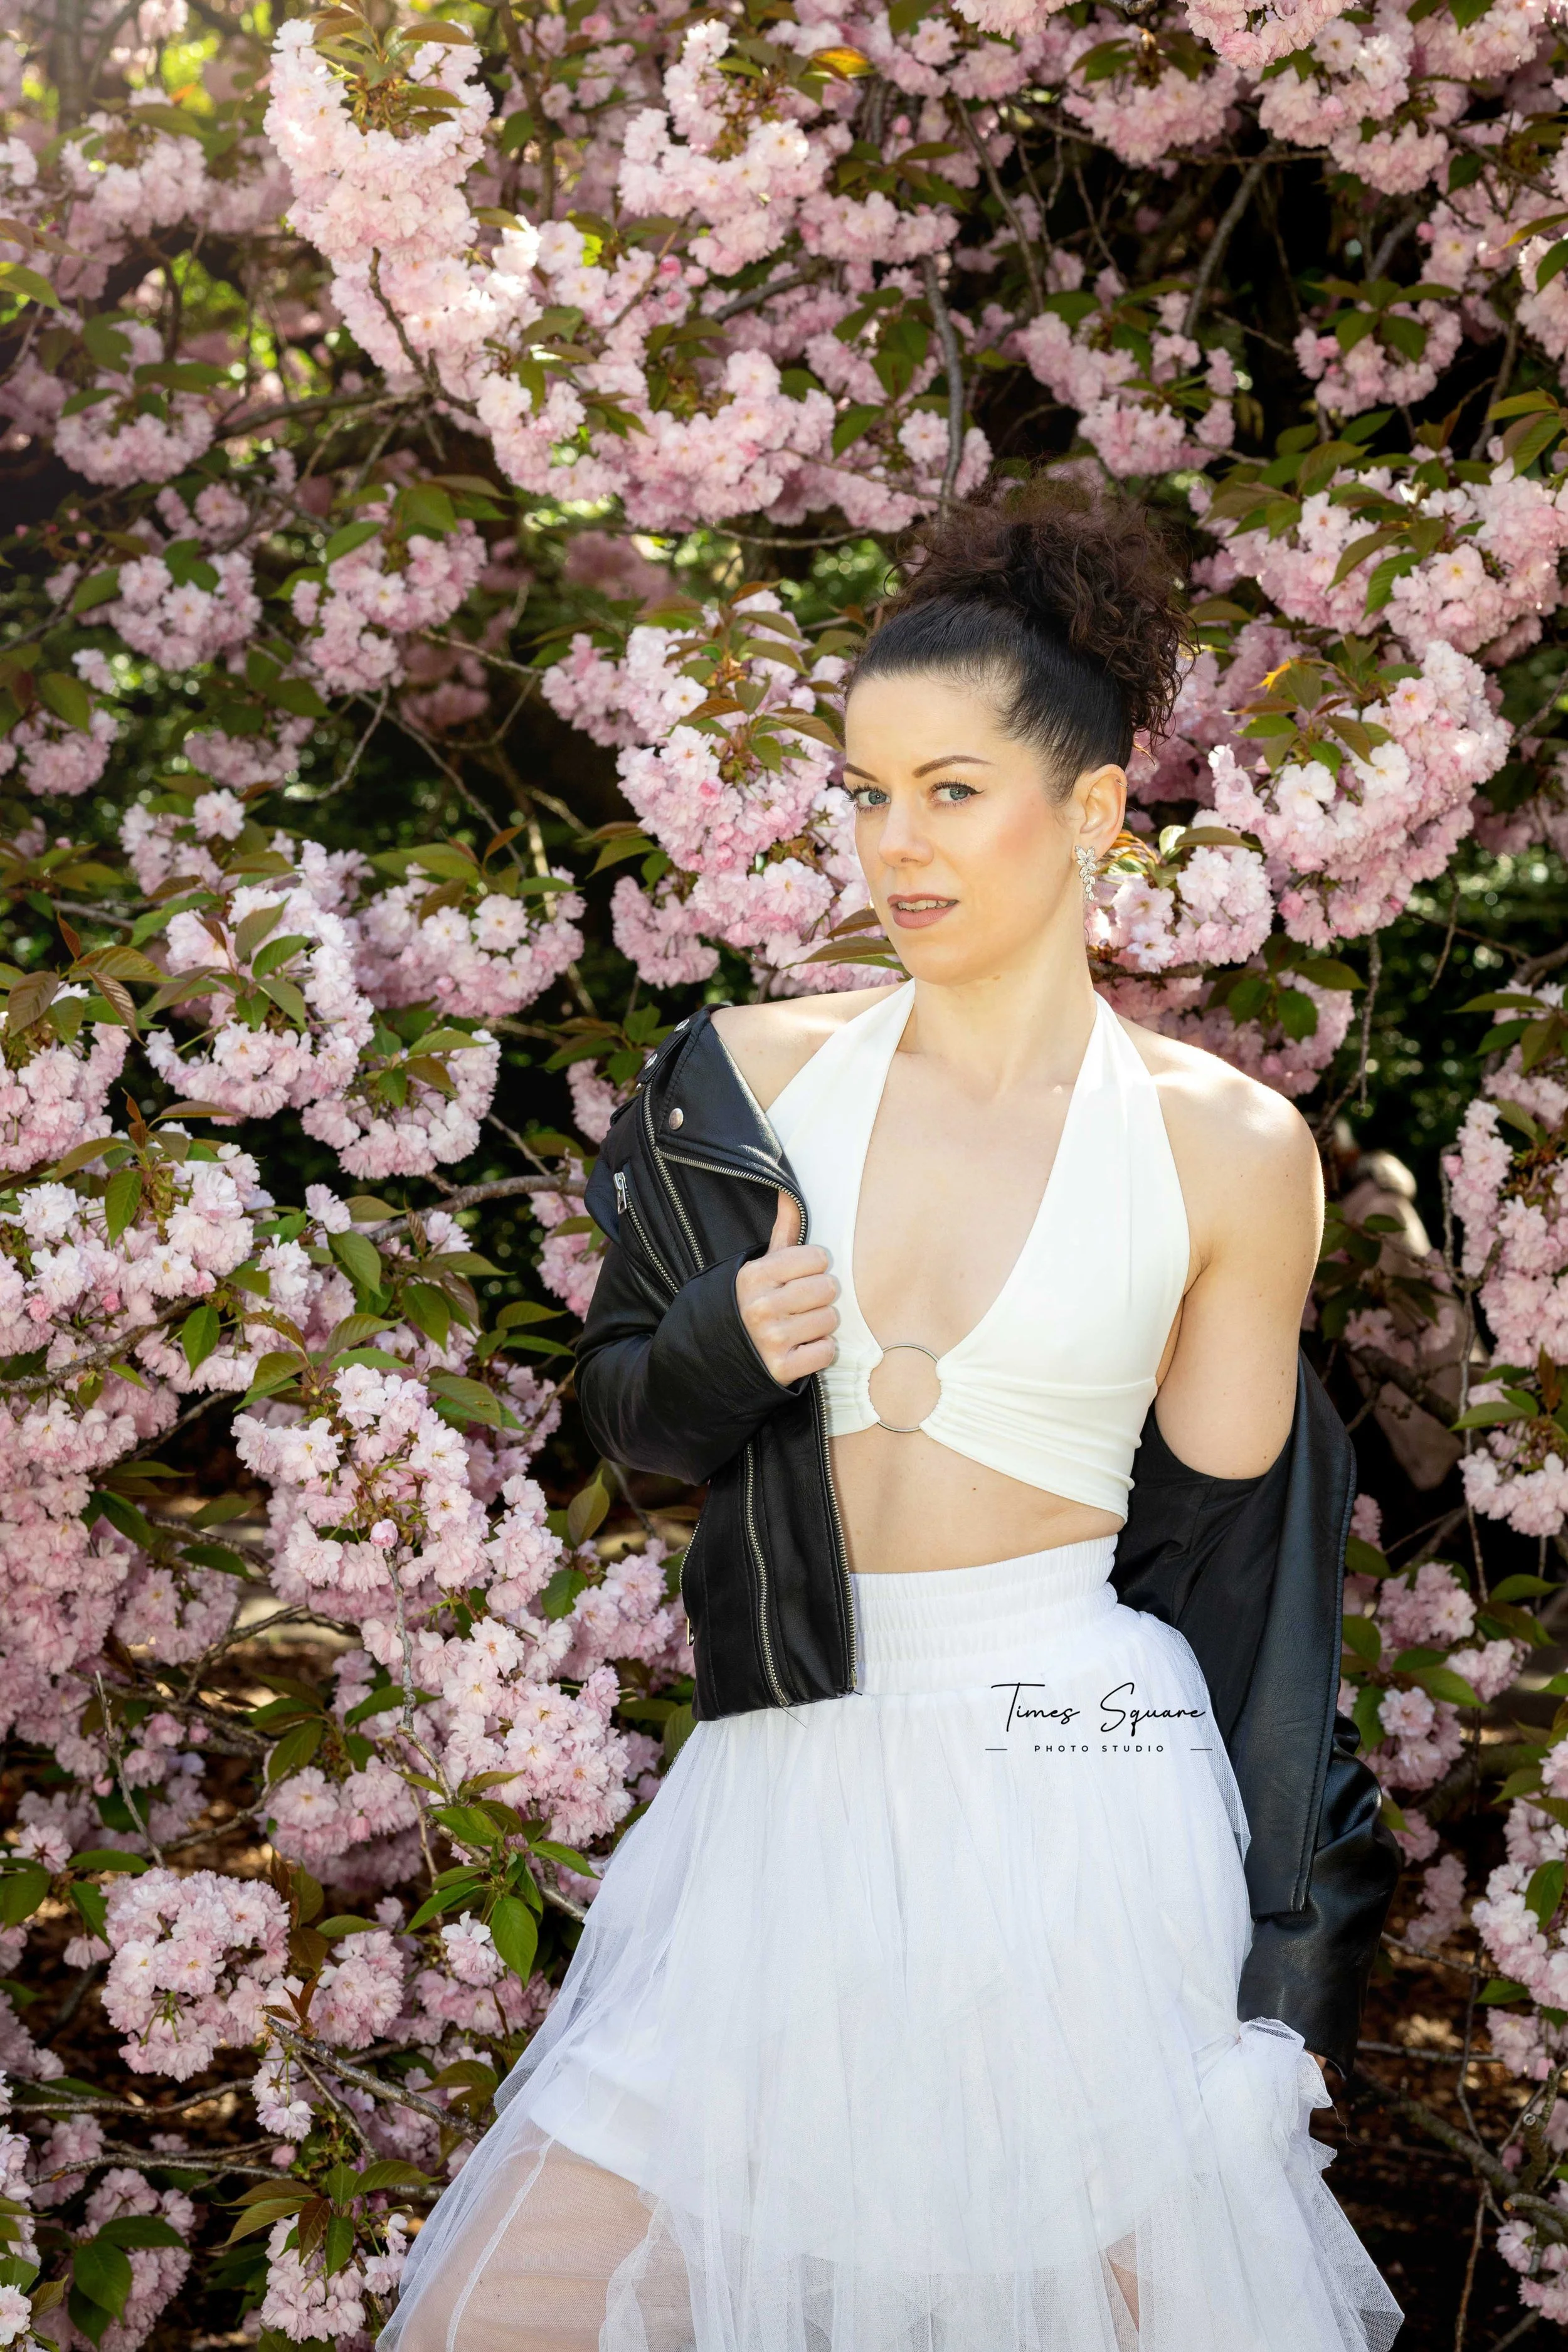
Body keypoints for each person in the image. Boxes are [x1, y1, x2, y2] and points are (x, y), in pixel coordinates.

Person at [378, 475, 1406, 2351]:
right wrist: (707, 1352)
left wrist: (1288, 1940)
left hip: (1075, 1775)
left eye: (950, 789)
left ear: (1092, 808)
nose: (893, 846)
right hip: (790, 1783)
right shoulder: (749, 1078)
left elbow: (1241, 1560)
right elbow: (631, 1423)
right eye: (863, 790)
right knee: (502, 2319)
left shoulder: (1231, 1152)